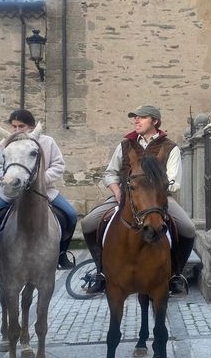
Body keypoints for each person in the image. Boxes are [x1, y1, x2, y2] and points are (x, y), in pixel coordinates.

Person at [81, 105, 195, 297]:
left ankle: (175, 275)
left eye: (142, 118)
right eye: (135, 118)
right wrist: (117, 192)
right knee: (88, 223)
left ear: (155, 121)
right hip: (124, 198)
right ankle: (101, 272)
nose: (136, 121)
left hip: (158, 201)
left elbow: (174, 182)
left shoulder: (170, 147)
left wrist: (154, 193)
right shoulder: (125, 144)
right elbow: (110, 173)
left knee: (188, 229)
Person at [0, 109, 77, 270]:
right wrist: (10, 179)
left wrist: (42, 180)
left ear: (32, 126)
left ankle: (61, 254)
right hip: (11, 190)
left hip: (44, 190)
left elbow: (58, 165)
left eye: (21, 126)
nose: (16, 130)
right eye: (14, 126)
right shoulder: (5, 143)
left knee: (71, 215)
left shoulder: (47, 142)